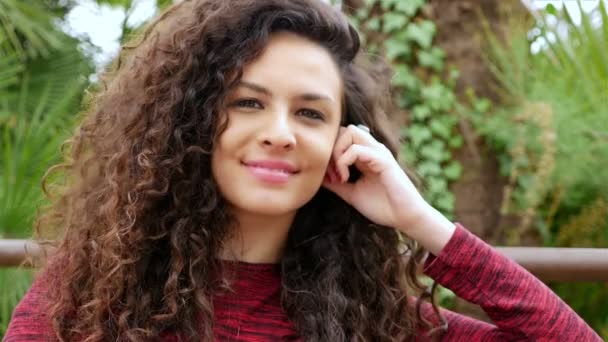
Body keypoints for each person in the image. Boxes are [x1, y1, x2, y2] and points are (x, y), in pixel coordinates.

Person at [4, 0, 601, 341]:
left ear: (343, 142)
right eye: (248, 102)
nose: (281, 132)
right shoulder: (81, 305)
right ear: (189, 123)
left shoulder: (377, 323)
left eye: (311, 112)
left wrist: (420, 221)